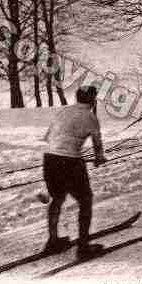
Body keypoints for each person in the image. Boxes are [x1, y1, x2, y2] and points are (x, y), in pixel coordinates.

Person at [42, 85, 107, 258]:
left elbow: (48, 137)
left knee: (57, 199)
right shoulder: (91, 117)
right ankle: (83, 247)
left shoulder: (64, 111)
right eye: (95, 98)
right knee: (86, 200)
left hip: (49, 158)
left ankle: (53, 241)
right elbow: (97, 144)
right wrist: (99, 158)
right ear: (92, 99)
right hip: (70, 162)